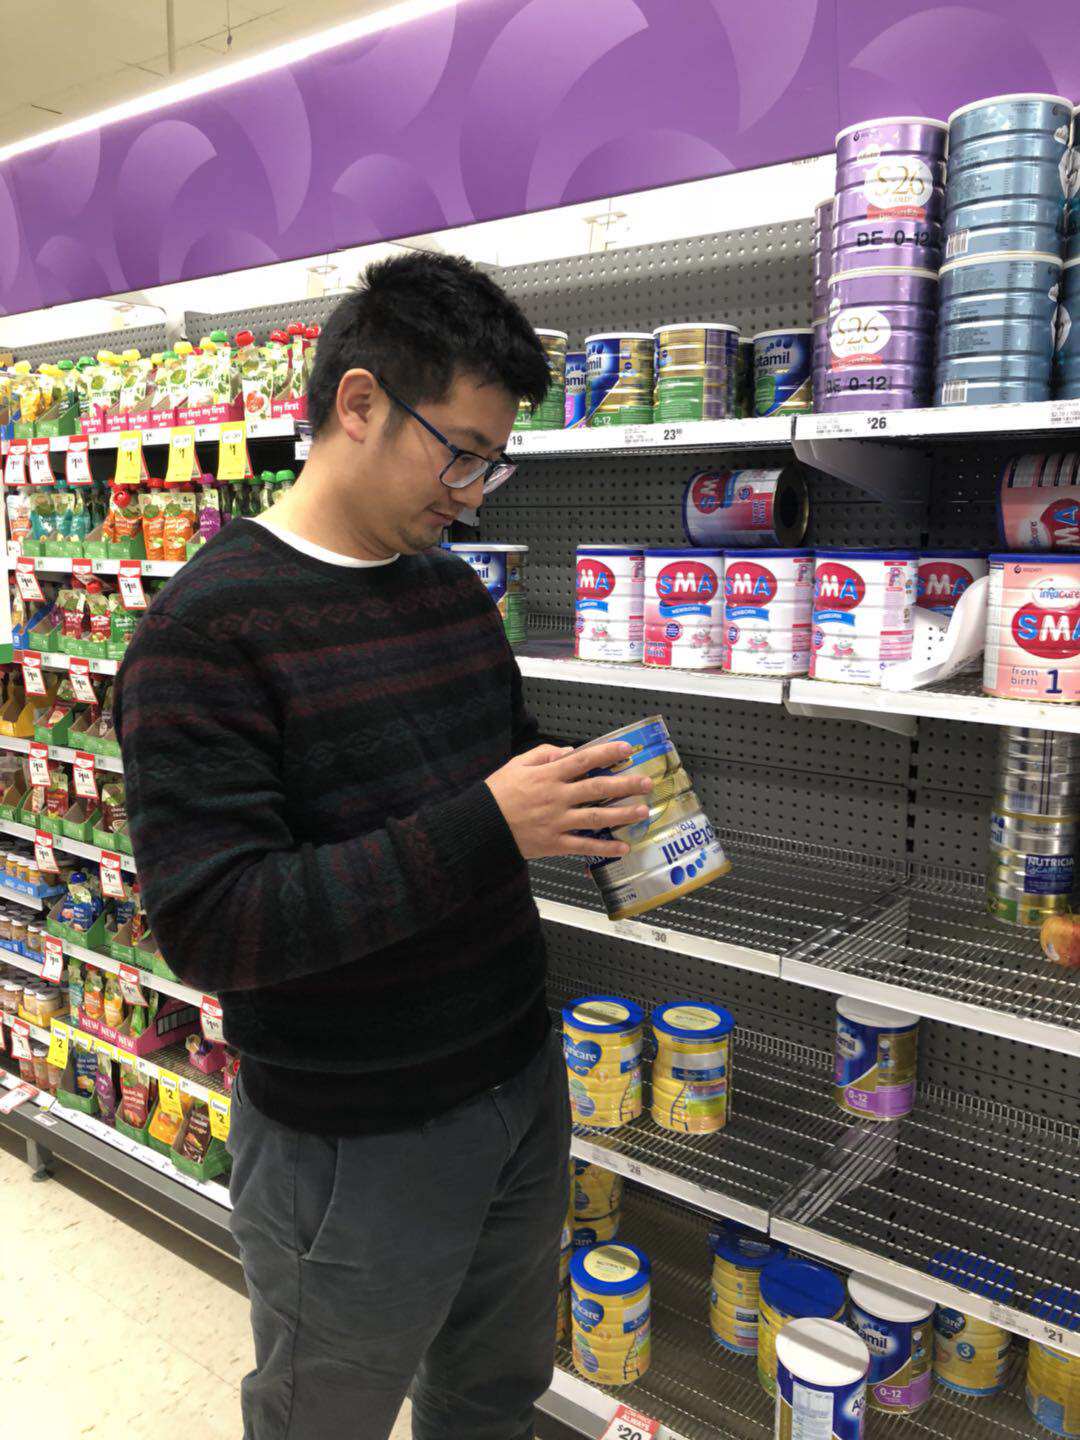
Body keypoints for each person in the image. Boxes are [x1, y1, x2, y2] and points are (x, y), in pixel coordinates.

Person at [116, 252, 652, 1440]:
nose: (472, 492)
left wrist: (585, 790)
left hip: (519, 1082)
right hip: (349, 1141)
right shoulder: (204, 633)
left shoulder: (448, 589)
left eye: (490, 462)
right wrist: (487, 825)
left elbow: (484, 763)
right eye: (459, 453)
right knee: (324, 1420)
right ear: (359, 404)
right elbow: (215, 926)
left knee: (492, 1398)